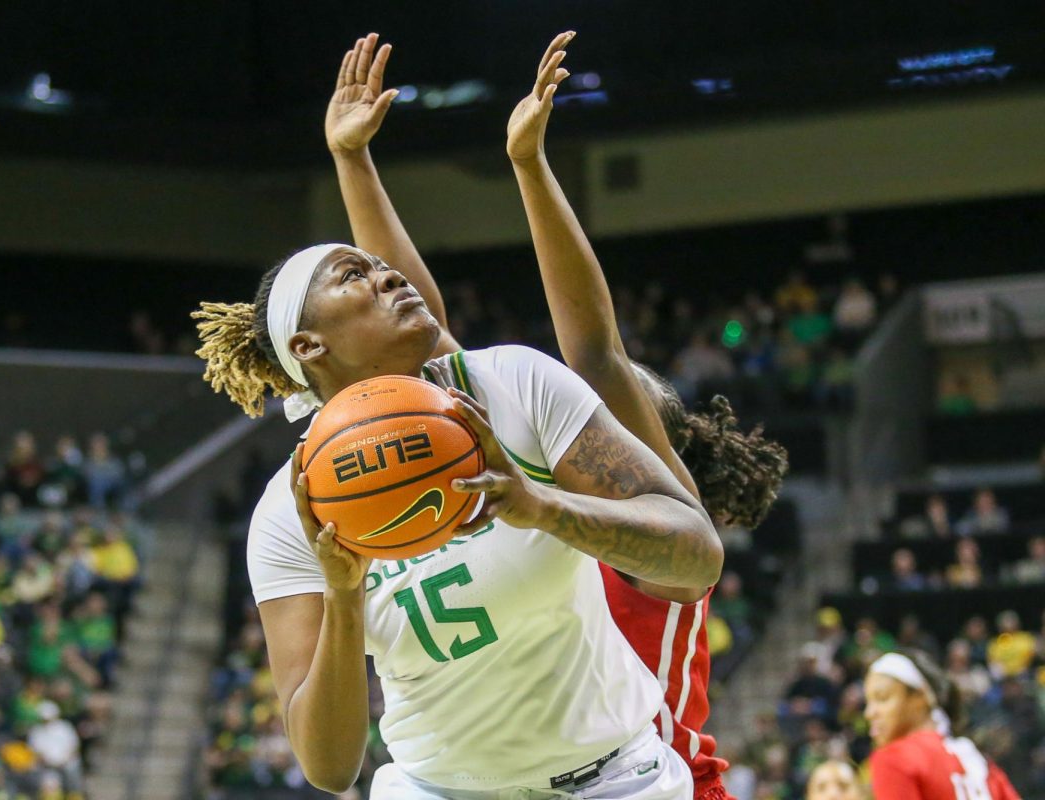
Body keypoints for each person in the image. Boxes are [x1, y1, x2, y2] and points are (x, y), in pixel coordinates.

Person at [193, 39, 724, 799]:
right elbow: (329, 766)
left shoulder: (509, 384)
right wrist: (346, 598)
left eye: (382, 267)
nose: (386, 274)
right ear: (308, 346)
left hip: (613, 779)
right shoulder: (292, 513)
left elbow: (696, 558)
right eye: (357, 275)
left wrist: (543, 507)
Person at [317, 31, 787, 800]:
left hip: (654, 778)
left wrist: (531, 166)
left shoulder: (653, 533)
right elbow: (428, 360)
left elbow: (594, 351)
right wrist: (354, 162)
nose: (579, 414)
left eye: (600, 415)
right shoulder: (548, 516)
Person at [863, 650, 1020, 799]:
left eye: (882, 698)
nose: (869, 713)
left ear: (920, 696)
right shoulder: (976, 759)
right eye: (868, 702)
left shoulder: (894, 758)